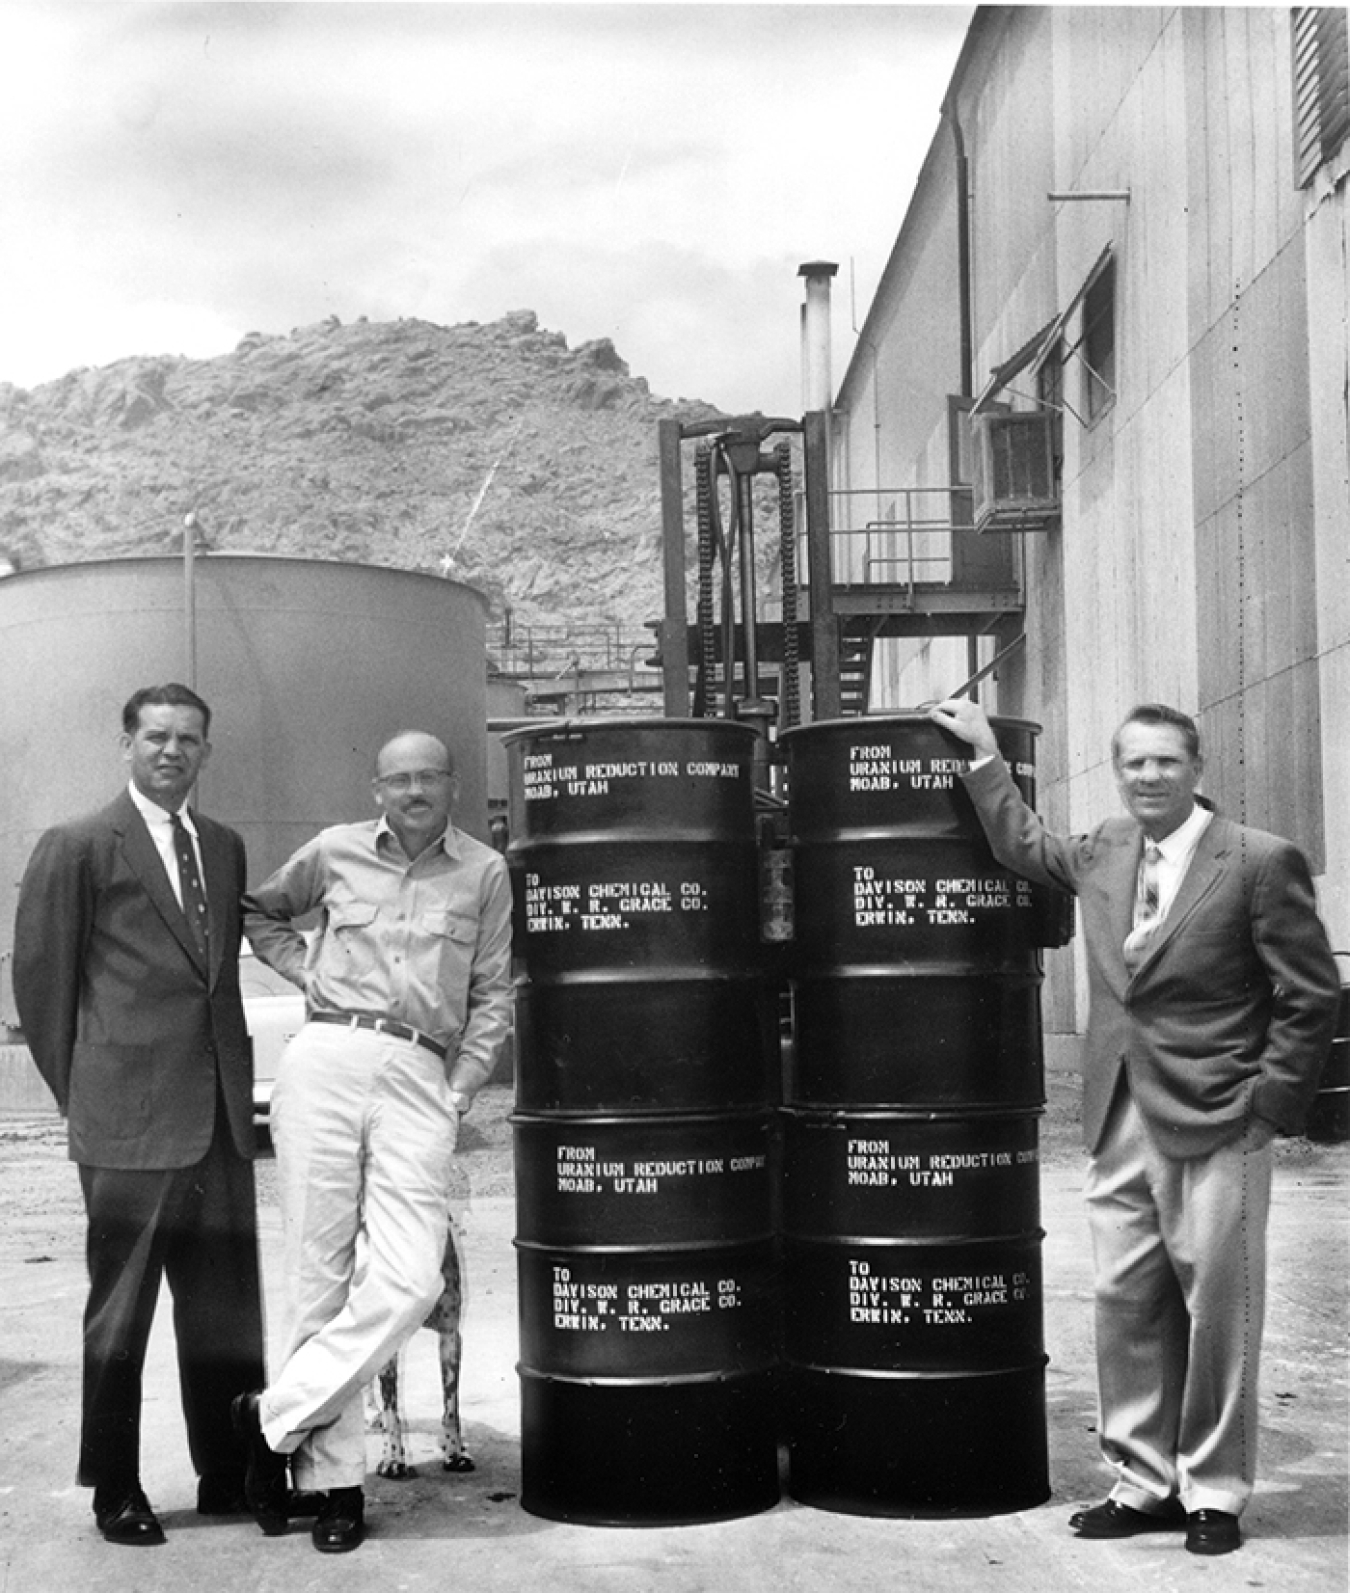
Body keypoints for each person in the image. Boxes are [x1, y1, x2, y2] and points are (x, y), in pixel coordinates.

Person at [928, 696, 1339, 1557]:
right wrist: (983, 754)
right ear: (1119, 771)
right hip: (1120, 1111)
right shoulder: (1109, 846)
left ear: (1195, 768)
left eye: (1164, 761)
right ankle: (1142, 1481)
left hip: (1220, 1113)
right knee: (1125, 1301)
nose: (1148, 776)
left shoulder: (1259, 861)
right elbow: (1024, 845)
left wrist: (1269, 1106)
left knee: (1219, 1307)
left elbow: (1310, 997)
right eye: (1134, 763)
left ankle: (1214, 1493)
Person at [233, 729, 513, 1554]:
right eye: (400, 778)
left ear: (454, 785)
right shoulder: (334, 850)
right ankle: (335, 1490)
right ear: (377, 787)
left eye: (430, 776)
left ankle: (272, 1416)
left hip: (421, 1070)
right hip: (324, 1053)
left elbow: (494, 991)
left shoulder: (484, 871)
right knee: (316, 1272)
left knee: (411, 1278)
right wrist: (307, 972)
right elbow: (260, 910)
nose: (415, 789)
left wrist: (460, 1087)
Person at [12, 683, 264, 1547]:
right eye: (156, 736)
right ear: (125, 743)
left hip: (222, 1117)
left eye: (189, 739)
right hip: (127, 1123)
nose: (172, 751)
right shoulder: (79, 844)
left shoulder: (224, 847)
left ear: (205, 751)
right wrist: (88, 1098)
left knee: (228, 1309)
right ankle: (114, 1486)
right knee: (121, 1313)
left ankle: (228, 1473)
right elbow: (42, 987)